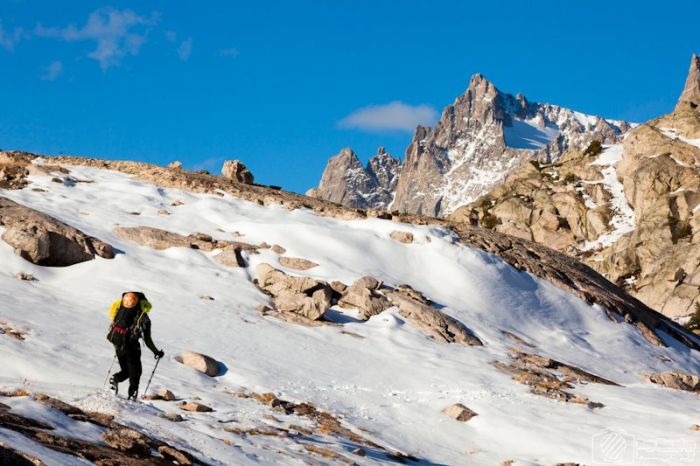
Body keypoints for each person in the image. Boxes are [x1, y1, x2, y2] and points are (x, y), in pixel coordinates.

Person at [107, 291, 164, 400]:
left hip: (117, 344)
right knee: (136, 371)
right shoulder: (144, 318)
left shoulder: (120, 312)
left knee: (126, 370)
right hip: (131, 346)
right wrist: (156, 352)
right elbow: (147, 340)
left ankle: (115, 378)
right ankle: (132, 395)